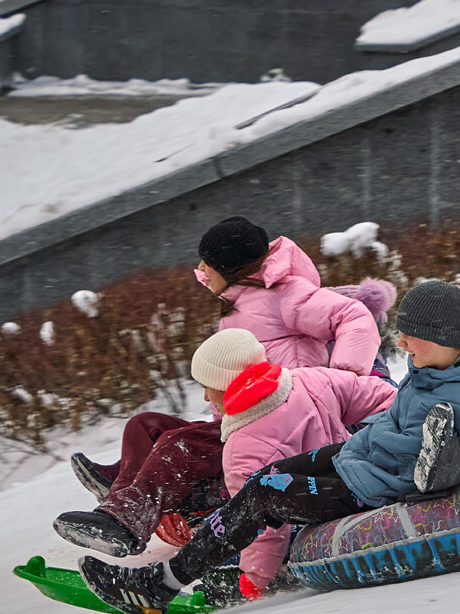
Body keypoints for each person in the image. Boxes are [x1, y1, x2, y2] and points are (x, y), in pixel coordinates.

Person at [79, 281, 460, 614]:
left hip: (368, 487)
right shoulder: (433, 370)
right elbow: (384, 403)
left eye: (409, 335)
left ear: (441, 338)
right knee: (265, 479)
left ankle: (157, 587)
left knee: (264, 493)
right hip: (354, 455)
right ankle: (196, 565)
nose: (399, 342)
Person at [54, 217, 386, 557]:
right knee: (145, 426)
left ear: (230, 266)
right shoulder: (238, 302)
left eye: (206, 263)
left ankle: (126, 522)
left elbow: (354, 316)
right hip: (246, 419)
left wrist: (344, 377)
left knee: (179, 444)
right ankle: (123, 491)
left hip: (287, 424)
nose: (200, 269)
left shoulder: (284, 295)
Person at [177, 327, 395, 600]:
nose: (206, 398)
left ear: (226, 384)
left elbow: (263, 528)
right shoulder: (311, 379)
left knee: (220, 532)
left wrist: (253, 582)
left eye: (206, 387)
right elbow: (383, 397)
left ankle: (218, 588)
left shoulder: (241, 448)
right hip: (356, 484)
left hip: (311, 523)